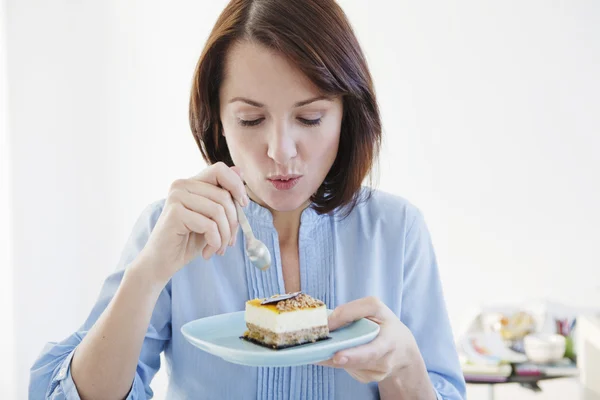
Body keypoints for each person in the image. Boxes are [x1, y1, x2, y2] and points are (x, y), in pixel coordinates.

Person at [29, 0, 466, 399]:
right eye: (251, 119)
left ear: (345, 116)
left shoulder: (396, 231)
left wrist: (404, 366)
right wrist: (146, 276)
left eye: (310, 118)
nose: (281, 151)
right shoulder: (172, 228)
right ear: (217, 120)